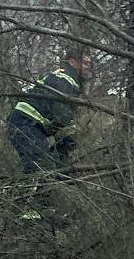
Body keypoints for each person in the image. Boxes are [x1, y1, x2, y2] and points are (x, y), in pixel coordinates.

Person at [6, 51, 90, 223]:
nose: (88, 68)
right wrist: (68, 134)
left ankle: (40, 208)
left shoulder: (68, 80)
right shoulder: (65, 79)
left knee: (45, 165)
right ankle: (31, 213)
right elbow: (60, 112)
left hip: (31, 125)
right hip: (25, 122)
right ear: (73, 62)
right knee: (38, 165)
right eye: (86, 63)